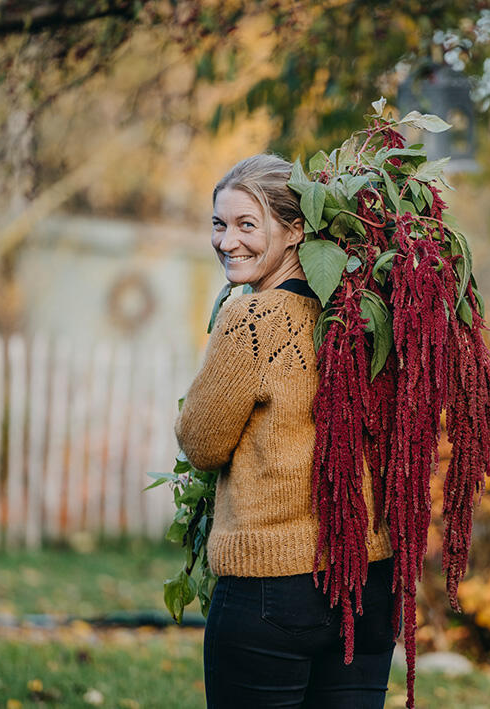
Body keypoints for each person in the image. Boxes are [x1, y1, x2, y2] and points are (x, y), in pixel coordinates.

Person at [174, 153, 400, 709]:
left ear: (296, 230)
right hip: (368, 584)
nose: (227, 242)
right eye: (219, 224)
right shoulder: (369, 316)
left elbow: (201, 444)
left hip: (273, 588)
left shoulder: (253, 319)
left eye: (247, 225)